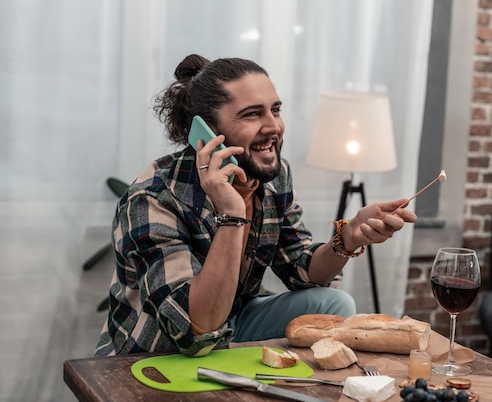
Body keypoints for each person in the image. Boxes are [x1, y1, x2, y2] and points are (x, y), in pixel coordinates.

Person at [95, 54, 417, 357]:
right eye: (252, 114)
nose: (274, 126)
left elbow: (301, 269)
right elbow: (195, 329)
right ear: (205, 133)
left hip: (231, 323)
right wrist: (232, 213)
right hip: (160, 349)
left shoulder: (274, 178)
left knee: (335, 305)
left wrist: (348, 239)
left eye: (275, 110)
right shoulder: (153, 197)